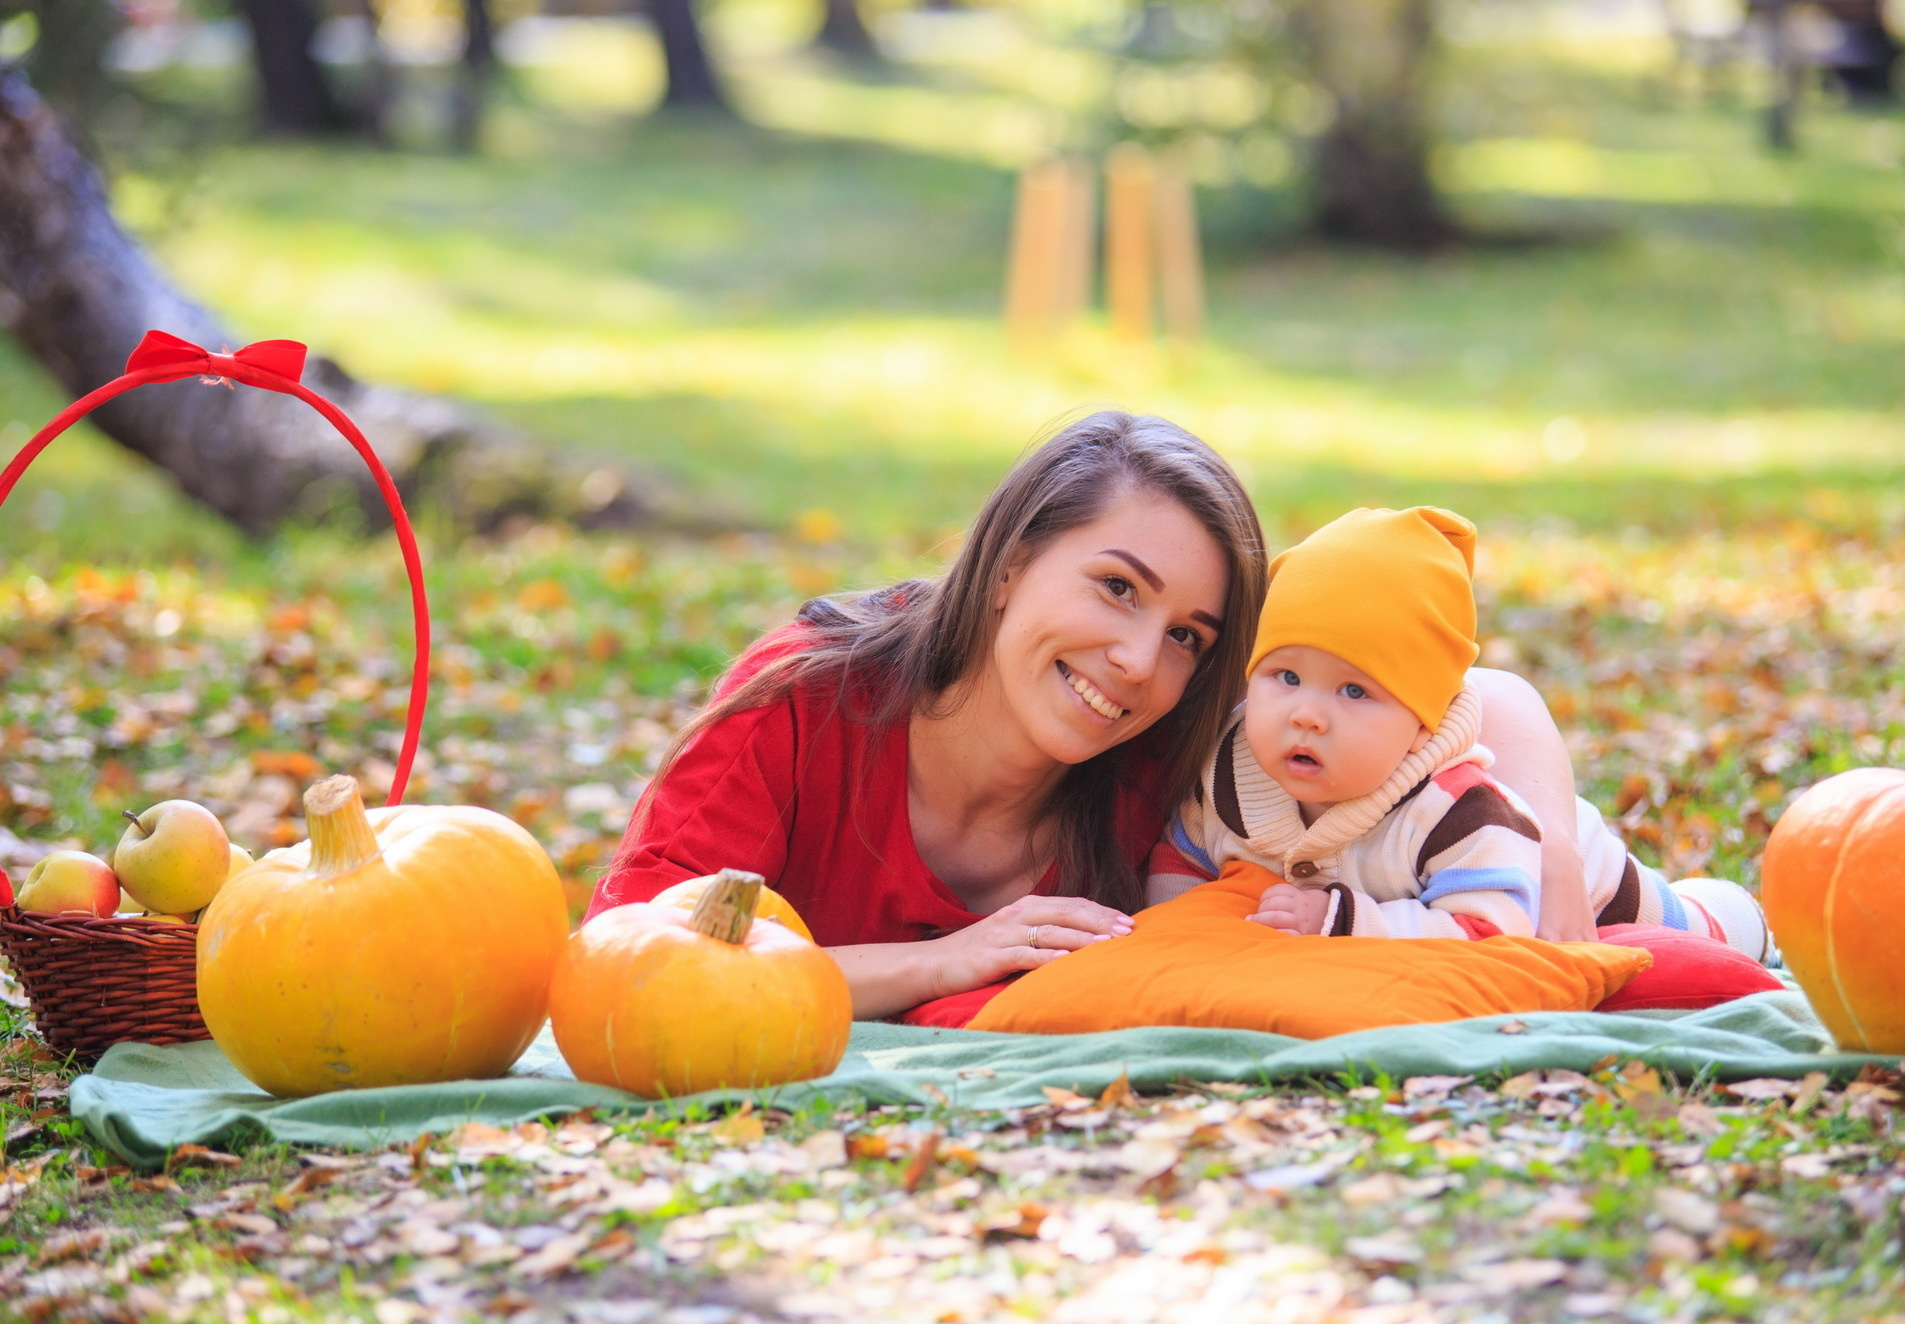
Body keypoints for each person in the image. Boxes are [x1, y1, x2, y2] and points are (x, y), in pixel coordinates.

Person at [591, 413, 1604, 1021]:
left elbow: (1482, 695)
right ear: (1009, 563)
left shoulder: (1167, 748)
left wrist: (1546, 839)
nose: (1136, 661)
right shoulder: (807, 700)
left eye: (1187, 635)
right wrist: (942, 961)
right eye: (1117, 587)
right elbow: (627, 958)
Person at [1147, 506, 1771, 959]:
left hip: (1563, 881)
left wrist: (1343, 919)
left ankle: (1738, 918)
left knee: (1679, 936)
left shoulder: (1457, 810)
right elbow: (1185, 852)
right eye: (1285, 675)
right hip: (1407, 901)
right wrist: (1170, 931)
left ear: (1421, 727)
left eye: (1355, 691)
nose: (1307, 714)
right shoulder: (1230, 772)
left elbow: (1486, 928)